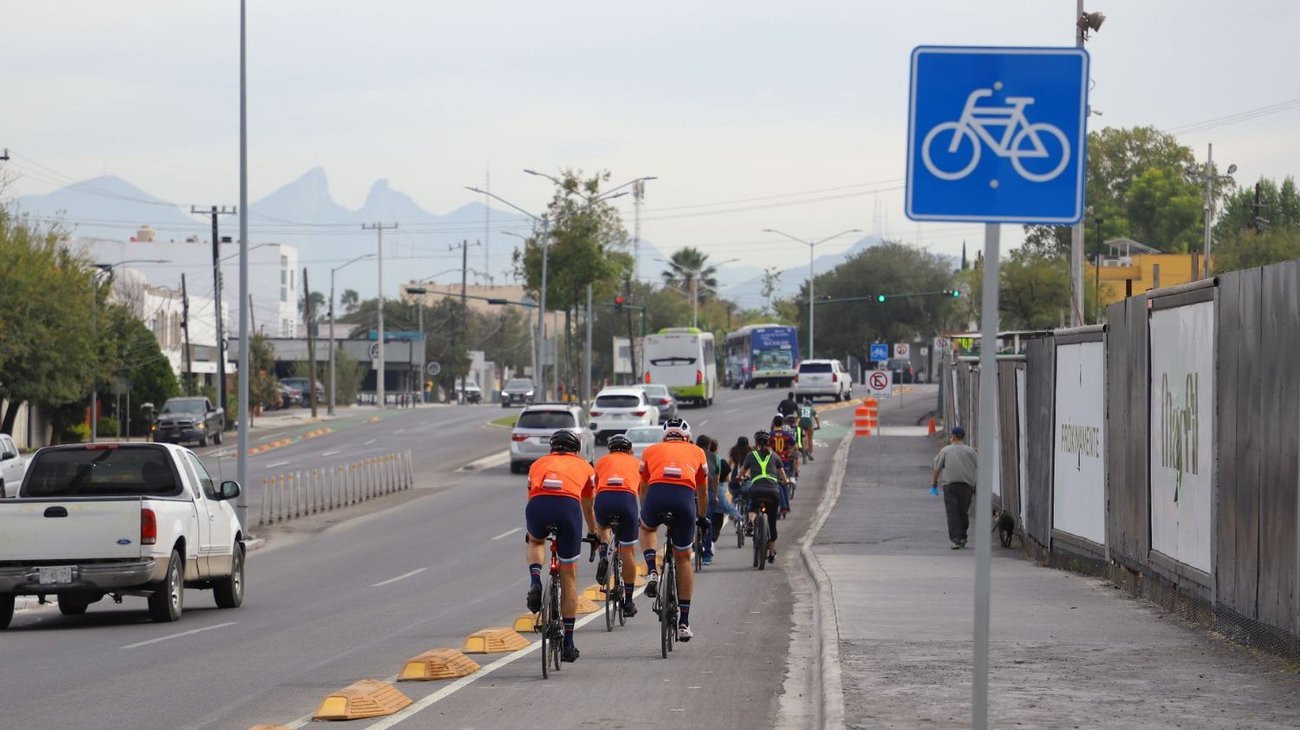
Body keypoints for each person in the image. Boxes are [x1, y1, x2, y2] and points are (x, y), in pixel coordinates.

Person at [525, 429, 597, 662]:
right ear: (576, 449)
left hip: (538, 507)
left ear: (552, 448)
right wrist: (593, 532)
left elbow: (532, 496)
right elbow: (587, 505)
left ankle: (535, 581)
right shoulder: (586, 467)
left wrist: (535, 529)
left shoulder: (537, 464)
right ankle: (568, 642)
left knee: (535, 540)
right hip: (568, 508)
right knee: (569, 576)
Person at [638, 417, 710, 642]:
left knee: (647, 529)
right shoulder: (697, 451)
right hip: (684, 501)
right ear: (686, 437)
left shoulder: (651, 450)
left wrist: (645, 512)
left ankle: (652, 570)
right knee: (683, 558)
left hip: (657, 496)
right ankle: (684, 622)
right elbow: (703, 491)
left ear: (665, 436)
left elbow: (643, 486)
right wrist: (701, 517)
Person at [589, 434, 642, 617]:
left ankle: (603, 552)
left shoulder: (602, 461)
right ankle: (628, 601)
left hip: (604, 498)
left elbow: (593, 488)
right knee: (628, 551)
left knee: (602, 527)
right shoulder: (636, 462)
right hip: (627, 500)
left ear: (610, 450)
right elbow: (643, 492)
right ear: (629, 450)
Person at [738, 430, 790, 563]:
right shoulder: (774, 456)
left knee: (753, 504)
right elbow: (782, 473)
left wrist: (739, 477)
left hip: (757, 490)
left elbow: (742, 472)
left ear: (755, 443)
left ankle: (750, 523)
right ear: (768, 443)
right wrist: (785, 481)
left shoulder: (751, 455)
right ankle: (772, 551)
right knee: (772, 523)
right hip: (773, 491)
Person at [931, 426, 979, 549]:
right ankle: (962, 536)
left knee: (953, 512)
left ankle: (957, 539)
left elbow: (937, 467)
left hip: (950, 485)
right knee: (963, 512)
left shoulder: (945, 451)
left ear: (953, 437)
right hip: (966, 486)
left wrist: (934, 482)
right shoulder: (970, 451)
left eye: (951, 436)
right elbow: (979, 465)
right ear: (963, 437)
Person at [771, 415, 799, 482]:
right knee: (785, 480)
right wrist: (790, 453)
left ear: (774, 423)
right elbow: (795, 447)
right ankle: (792, 478)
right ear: (782, 423)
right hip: (785, 459)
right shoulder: (787, 435)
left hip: (773, 461)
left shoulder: (770, 435)